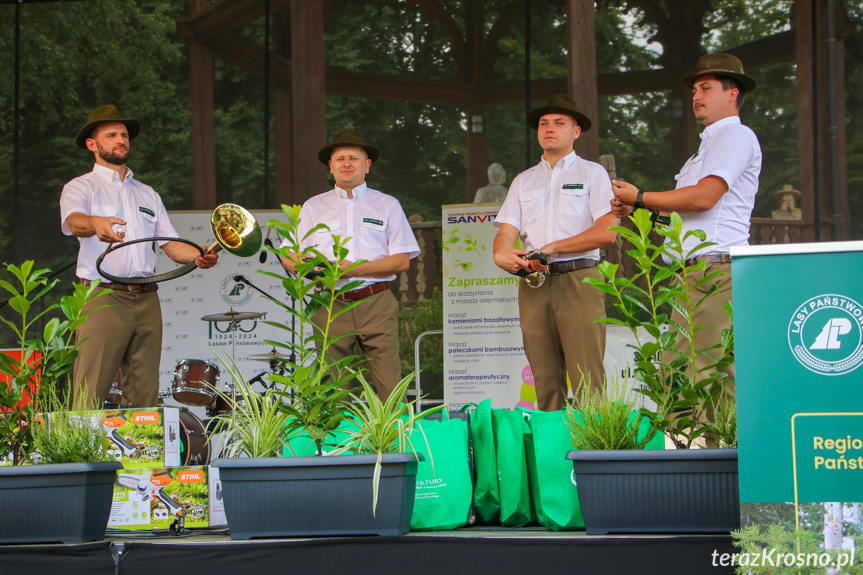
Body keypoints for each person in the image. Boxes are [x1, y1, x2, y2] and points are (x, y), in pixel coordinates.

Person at [609, 53, 762, 424]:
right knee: (717, 379)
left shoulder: (734, 135)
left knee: (687, 374)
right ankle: (727, 465)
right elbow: (692, 212)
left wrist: (641, 197)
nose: (696, 95)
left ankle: (690, 467)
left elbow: (704, 197)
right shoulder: (708, 145)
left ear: (733, 93)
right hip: (697, 272)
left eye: (706, 87)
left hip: (712, 272)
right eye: (694, 88)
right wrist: (644, 209)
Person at [60, 105, 219, 408]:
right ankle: (82, 454)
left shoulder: (147, 193)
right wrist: (96, 223)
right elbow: (73, 222)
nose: (121, 139)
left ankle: (140, 455)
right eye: (111, 135)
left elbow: (172, 246)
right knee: (89, 390)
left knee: (144, 395)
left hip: (147, 299)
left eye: (124, 134)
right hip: (103, 296)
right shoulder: (81, 186)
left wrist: (200, 255)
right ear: (92, 145)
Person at [492, 94, 617, 411]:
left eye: (559, 122)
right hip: (534, 282)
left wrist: (553, 247)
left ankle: (593, 457)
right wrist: (502, 256)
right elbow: (507, 232)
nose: (549, 128)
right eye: (543, 123)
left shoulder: (592, 174)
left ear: (576, 131)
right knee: (544, 383)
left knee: (588, 380)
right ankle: (553, 460)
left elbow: (607, 231)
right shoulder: (523, 180)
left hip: (579, 279)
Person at [281, 129, 420, 402]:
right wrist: (302, 265)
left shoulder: (387, 204)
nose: (347, 163)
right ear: (330, 166)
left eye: (354, 158)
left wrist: (350, 270)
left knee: (390, 387)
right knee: (330, 390)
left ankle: (394, 443)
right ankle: (335, 446)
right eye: (340, 158)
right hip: (329, 302)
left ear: (367, 165)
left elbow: (402, 260)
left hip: (376, 300)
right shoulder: (312, 207)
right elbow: (289, 255)